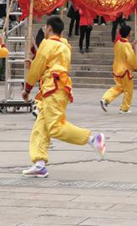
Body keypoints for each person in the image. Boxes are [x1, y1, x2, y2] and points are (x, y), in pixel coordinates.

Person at [22, 16, 106, 177]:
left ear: (48, 28)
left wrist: (27, 88)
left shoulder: (48, 44)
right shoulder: (64, 46)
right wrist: (34, 63)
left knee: (55, 127)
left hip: (53, 88)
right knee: (41, 127)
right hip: (58, 88)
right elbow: (48, 65)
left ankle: (93, 139)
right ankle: (39, 163)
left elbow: (38, 68)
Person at [101, 24, 137, 114]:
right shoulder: (127, 45)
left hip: (117, 69)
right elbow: (130, 58)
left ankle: (105, 98)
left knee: (119, 87)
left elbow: (122, 51)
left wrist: (131, 45)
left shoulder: (118, 43)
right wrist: (135, 67)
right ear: (128, 34)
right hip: (125, 70)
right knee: (128, 90)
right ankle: (124, 108)